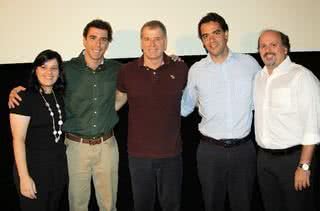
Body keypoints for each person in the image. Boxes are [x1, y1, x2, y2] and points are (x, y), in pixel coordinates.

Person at [8, 19, 121, 211]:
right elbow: (42, 84)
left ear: (108, 43)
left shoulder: (118, 69)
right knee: (77, 205)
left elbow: (138, 80)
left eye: (103, 39)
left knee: (109, 205)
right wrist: (15, 91)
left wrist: (171, 60)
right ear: (84, 40)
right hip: (75, 148)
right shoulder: (66, 69)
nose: (98, 44)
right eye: (93, 38)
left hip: (107, 146)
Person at [181, 12, 261, 211]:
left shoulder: (249, 64)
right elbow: (184, 108)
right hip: (210, 152)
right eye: (205, 36)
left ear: (226, 34)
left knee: (243, 205)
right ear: (202, 41)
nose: (211, 39)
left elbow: (264, 99)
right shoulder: (196, 70)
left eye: (216, 33)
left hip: (243, 150)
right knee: (211, 205)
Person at [115, 20, 188, 211]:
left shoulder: (180, 68)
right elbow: (117, 102)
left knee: (172, 206)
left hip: (171, 155)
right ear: (141, 42)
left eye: (157, 39)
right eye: (147, 39)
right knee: (142, 206)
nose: (152, 44)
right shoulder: (127, 71)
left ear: (165, 41)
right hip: (139, 156)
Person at [254, 29, 320, 211]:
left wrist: (304, 166)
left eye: (273, 45)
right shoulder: (258, 78)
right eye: (263, 46)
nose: (267, 49)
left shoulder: (301, 76)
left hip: (293, 161)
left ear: (285, 49)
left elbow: (312, 126)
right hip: (264, 161)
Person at [10, 49, 68, 211]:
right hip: (33, 171)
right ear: (35, 70)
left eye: (53, 68)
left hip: (57, 171)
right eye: (43, 67)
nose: (48, 72)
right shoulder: (23, 98)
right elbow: (18, 140)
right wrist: (24, 177)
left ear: (59, 72)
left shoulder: (60, 96)